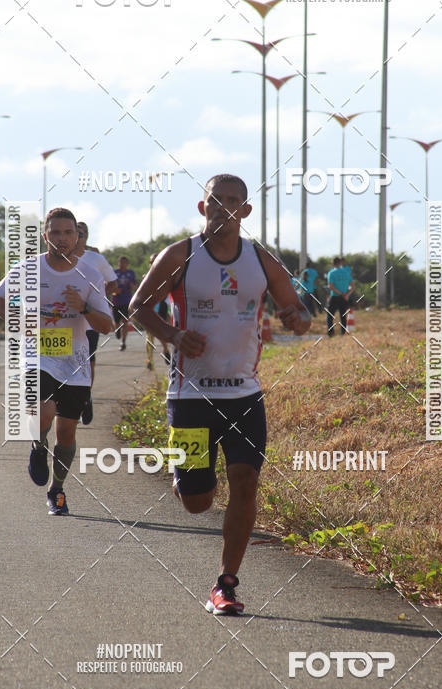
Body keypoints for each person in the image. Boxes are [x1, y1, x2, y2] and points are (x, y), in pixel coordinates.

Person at [130, 174, 311, 615]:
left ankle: (226, 584)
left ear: (245, 211)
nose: (224, 207)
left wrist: (297, 318)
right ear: (202, 205)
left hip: (245, 396)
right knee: (197, 502)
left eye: (234, 201)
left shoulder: (261, 260)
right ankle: (187, 481)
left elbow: (297, 310)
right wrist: (173, 334)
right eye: (216, 200)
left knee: (246, 483)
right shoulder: (181, 255)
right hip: (190, 397)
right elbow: (137, 307)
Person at [0, 208, 113, 514]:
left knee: (67, 432)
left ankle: (57, 490)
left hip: (76, 363)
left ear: (77, 237)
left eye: (68, 233)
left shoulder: (90, 275)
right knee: (44, 411)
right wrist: (17, 322)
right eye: (55, 233)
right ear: (45, 237)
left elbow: (107, 325)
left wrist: (82, 307)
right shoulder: (28, 269)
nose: (62, 239)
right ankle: (37, 446)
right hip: (37, 354)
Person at [74, 221, 117, 423]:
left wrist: (98, 297)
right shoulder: (62, 258)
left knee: (88, 360)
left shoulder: (96, 259)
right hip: (66, 320)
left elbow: (113, 283)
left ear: (87, 236)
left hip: (90, 319)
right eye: (77, 233)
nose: (79, 236)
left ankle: (85, 395)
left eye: (83, 233)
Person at [144, 252, 171, 371]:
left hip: (161, 307)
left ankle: (165, 349)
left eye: (156, 260)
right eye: (151, 261)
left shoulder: (165, 276)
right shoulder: (145, 277)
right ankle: (150, 360)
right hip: (149, 308)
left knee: (161, 334)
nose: (153, 263)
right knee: (149, 336)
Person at [112, 256, 138, 351]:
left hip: (127, 300)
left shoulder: (130, 273)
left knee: (125, 321)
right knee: (116, 321)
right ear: (118, 263)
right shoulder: (114, 273)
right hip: (116, 300)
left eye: (124, 262)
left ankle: (123, 341)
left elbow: (134, 285)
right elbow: (108, 284)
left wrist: (132, 285)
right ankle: (117, 330)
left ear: (127, 264)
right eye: (121, 262)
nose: (122, 264)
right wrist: (114, 290)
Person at [326, 256, 355, 336]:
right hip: (344, 297)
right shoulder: (346, 272)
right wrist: (346, 294)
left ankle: (331, 333)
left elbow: (331, 286)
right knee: (343, 316)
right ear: (340, 263)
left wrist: (339, 293)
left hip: (335, 297)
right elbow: (353, 286)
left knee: (330, 316)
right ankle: (343, 333)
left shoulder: (331, 273)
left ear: (333, 263)